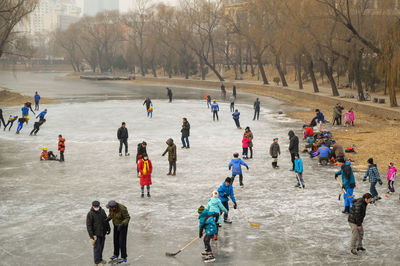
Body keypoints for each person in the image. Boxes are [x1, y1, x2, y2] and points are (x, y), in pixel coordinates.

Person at [86, 201, 110, 266]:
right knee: (97, 248)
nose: (96, 207)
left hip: (103, 232)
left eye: (97, 206)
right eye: (95, 206)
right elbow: (89, 225)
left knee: (101, 247)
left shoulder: (102, 211)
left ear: (99, 206)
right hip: (96, 234)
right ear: (93, 206)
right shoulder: (90, 214)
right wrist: (91, 235)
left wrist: (108, 228)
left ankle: (100, 259)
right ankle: (97, 262)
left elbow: (106, 220)